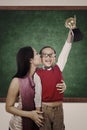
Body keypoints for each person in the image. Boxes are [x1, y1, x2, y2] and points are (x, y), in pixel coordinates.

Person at [34, 30, 74, 130]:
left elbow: (66, 51)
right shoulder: (36, 72)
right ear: (41, 58)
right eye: (45, 55)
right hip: (43, 109)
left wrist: (70, 38)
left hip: (59, 109)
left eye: (51, 55)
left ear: (55, 57)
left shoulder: (58, 68)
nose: (48, 57)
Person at [5, 46, 44, 130]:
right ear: (30, 60)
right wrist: (30, 114)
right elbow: (8, 107)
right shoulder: (17, 81)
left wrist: (64, 86)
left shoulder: (41, 76)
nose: (40, 55)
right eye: (37, 54)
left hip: (38, 124)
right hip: (18, 126)